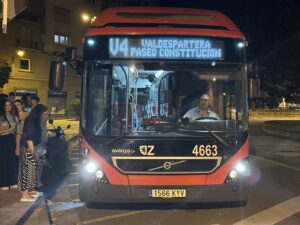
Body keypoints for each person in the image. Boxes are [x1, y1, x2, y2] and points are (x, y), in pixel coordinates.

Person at [18, 104, 49, 201]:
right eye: (45, 113)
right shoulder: (31, 121)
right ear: (39, 112)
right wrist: (33, 153)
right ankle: (25, 195)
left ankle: (31, 190)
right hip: (30, 149)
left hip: (35, 148)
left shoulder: (36, 121)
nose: (46, 115)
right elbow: (29, 139)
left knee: (33, 171)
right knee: (28, 170)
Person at [0, 99, 18, 190]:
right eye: (6, 105)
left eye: (9, 105)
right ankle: (3, 183)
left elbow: (17, 130)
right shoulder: (1, 117)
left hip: (12, 140)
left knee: (12, 160)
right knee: (3, 161)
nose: (7, 107)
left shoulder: (14, 116)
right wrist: (9, 130)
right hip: (2, 140)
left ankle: (12, 181)